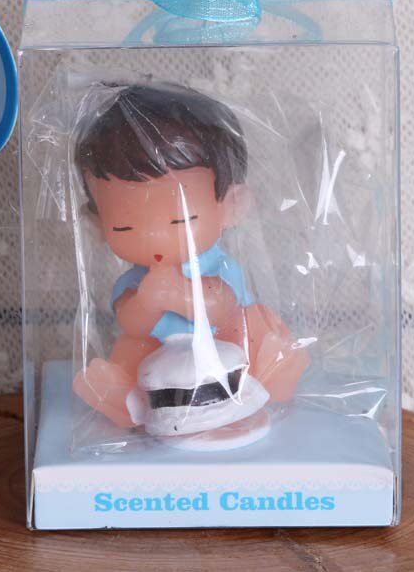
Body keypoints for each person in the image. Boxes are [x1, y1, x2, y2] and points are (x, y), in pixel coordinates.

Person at [72, 83, 308, 428]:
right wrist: (146, 302)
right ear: (97, 223)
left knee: (252, 323)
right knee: (131, 345)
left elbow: (223, 306)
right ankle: (126, 399)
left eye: (180, 220)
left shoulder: (218, 265)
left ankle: (270, 374)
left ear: (231, 206)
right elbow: (130, 322)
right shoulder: (134, 281)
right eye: (124, 226)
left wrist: (179, 294)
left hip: (221, 342)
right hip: (159, 353)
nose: (154, 236)